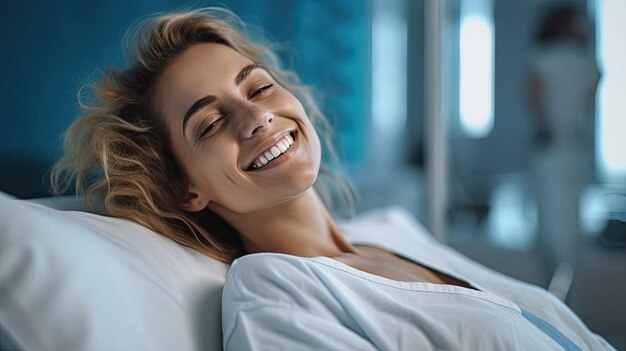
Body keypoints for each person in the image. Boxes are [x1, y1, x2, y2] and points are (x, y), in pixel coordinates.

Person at [52, 8, 614, 350]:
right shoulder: (273, 293)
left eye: (259, 86)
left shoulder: (392, 231)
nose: (257, 117)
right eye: (211, 121)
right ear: (185, 189)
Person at [528, 5, 601, 272]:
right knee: (568, 217)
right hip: (573, 147)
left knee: (553, 217)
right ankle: (564, 279)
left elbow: (535, 100)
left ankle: (559, 279)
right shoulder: (589, 66)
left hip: (553, 147)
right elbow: (586, 103)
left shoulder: (543, 60)